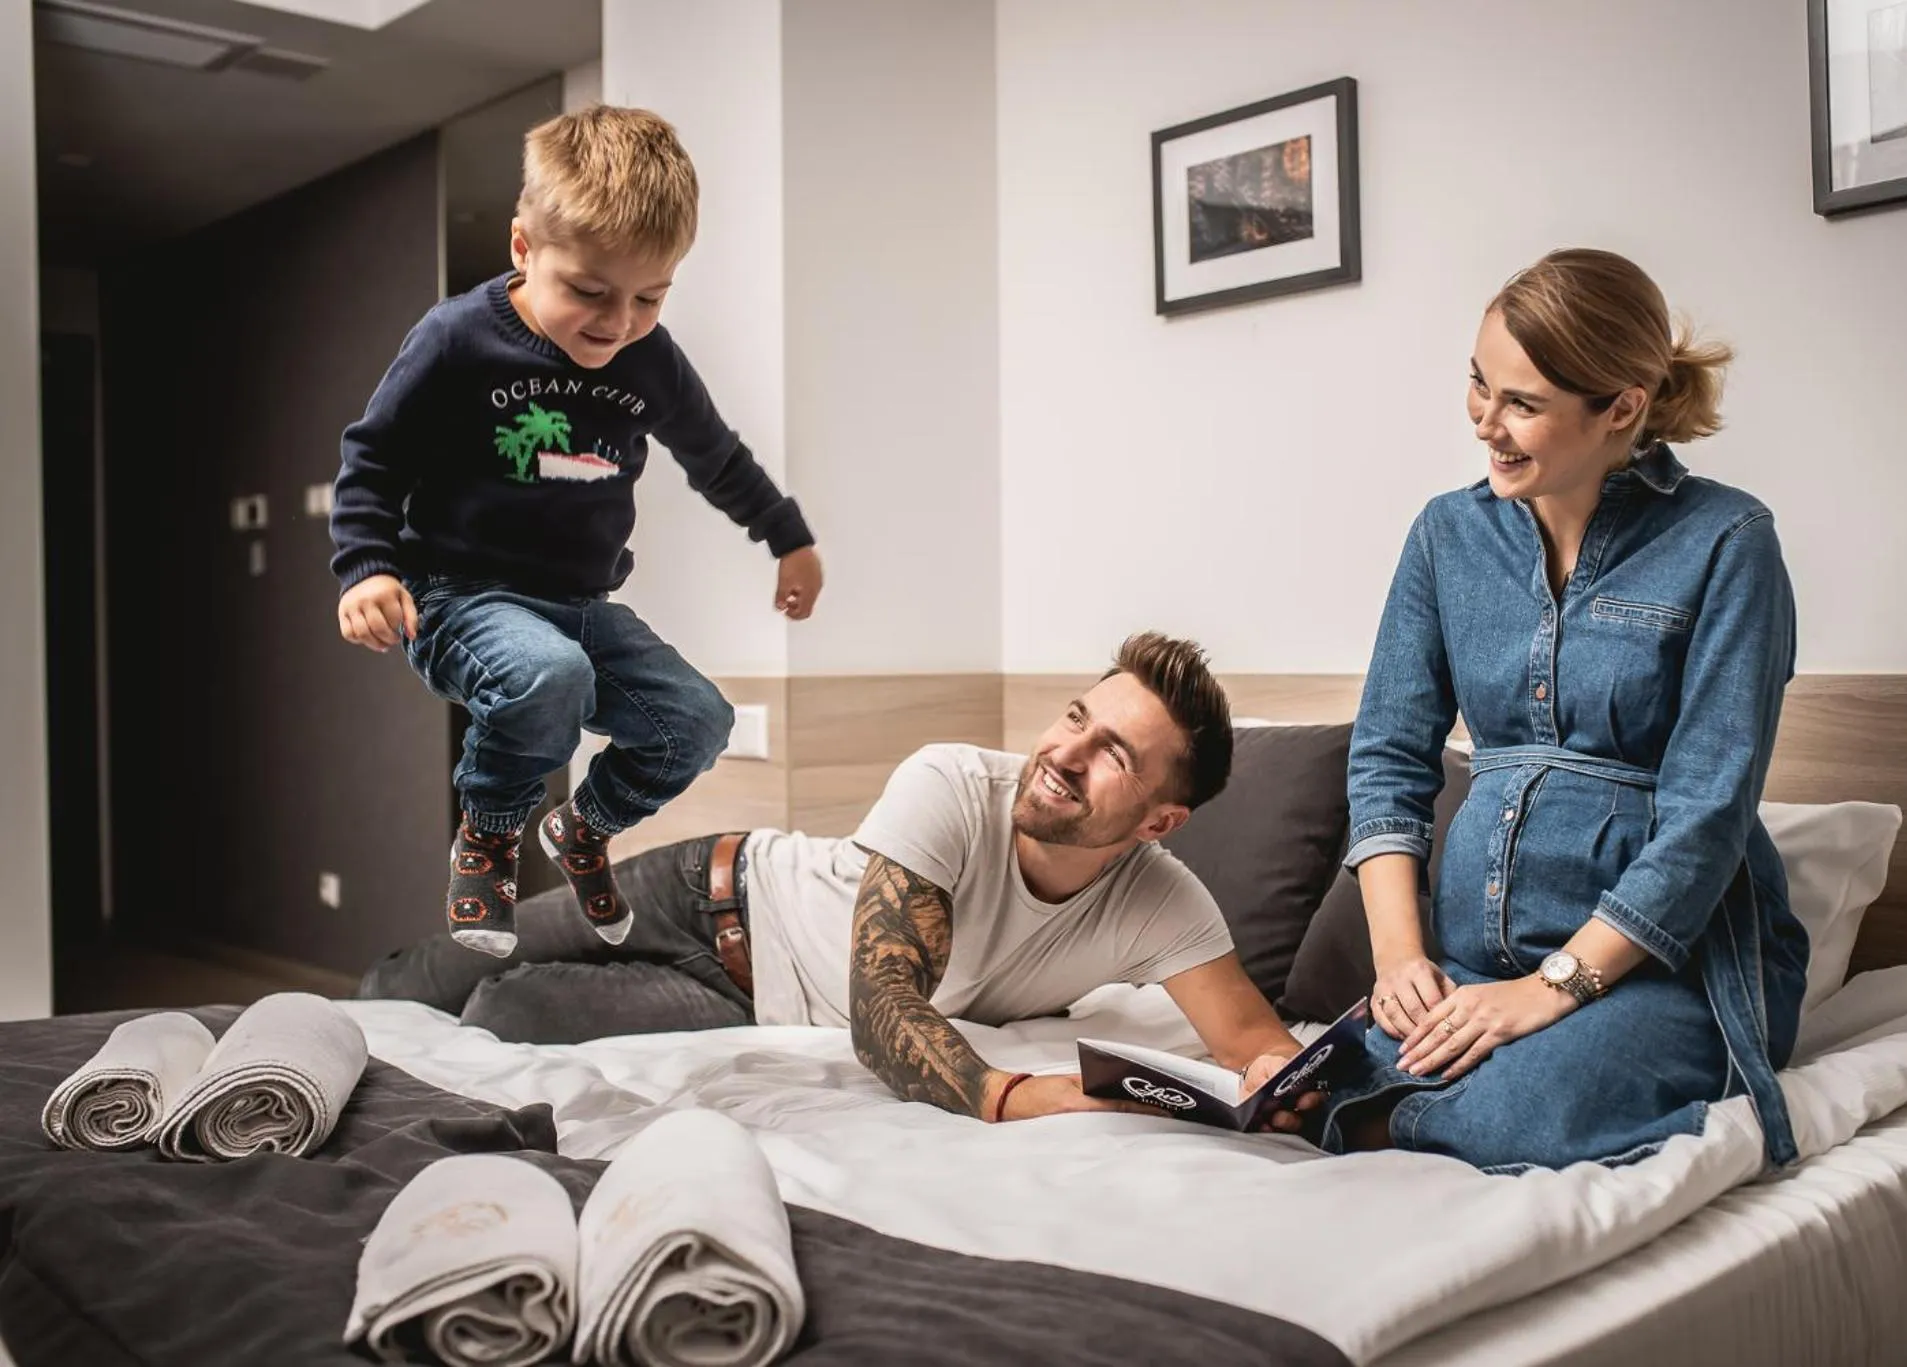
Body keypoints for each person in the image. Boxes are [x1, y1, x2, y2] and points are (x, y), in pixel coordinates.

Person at [361, 632, 1317, 1128]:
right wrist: (1012, 1094)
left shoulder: (1161, 900)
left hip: (747, 1005)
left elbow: (1258, 1043)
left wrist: (1286, 1082)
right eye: (1075, 715)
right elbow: (885, 1008)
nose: (1066, 751)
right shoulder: (953, 780)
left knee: (507, 1011)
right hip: (710, 887)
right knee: (430, 973)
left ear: (1159, 818)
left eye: (1113, 753)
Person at [1322, 248, 1808, 1173]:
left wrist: (1550, 990)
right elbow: (1388, 756)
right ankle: (1395, 1107)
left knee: (1524, 1111)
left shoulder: (1728, 541)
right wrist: (1399, 964)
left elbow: (1707, 815)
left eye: (1523, 405)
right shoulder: (1446, 535)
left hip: (1672, 977)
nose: (1486, 425)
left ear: (1622, 406)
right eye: (1478, 384)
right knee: (1310, 1077)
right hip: (1472, 970)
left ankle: (1413, 1119)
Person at [327, 105, 825, 958]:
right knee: (546, 676)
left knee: (698, 720)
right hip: (456, 596)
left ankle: (581, 830)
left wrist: (788, 536)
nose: (617, 321)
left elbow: (715, 456)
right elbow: (374, 457)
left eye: (650, 297)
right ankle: (487, 835)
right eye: (590, 292)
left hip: (578, 602)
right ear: (524, 248)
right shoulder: (456, 339)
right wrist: (367, 567)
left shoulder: (650, 359)